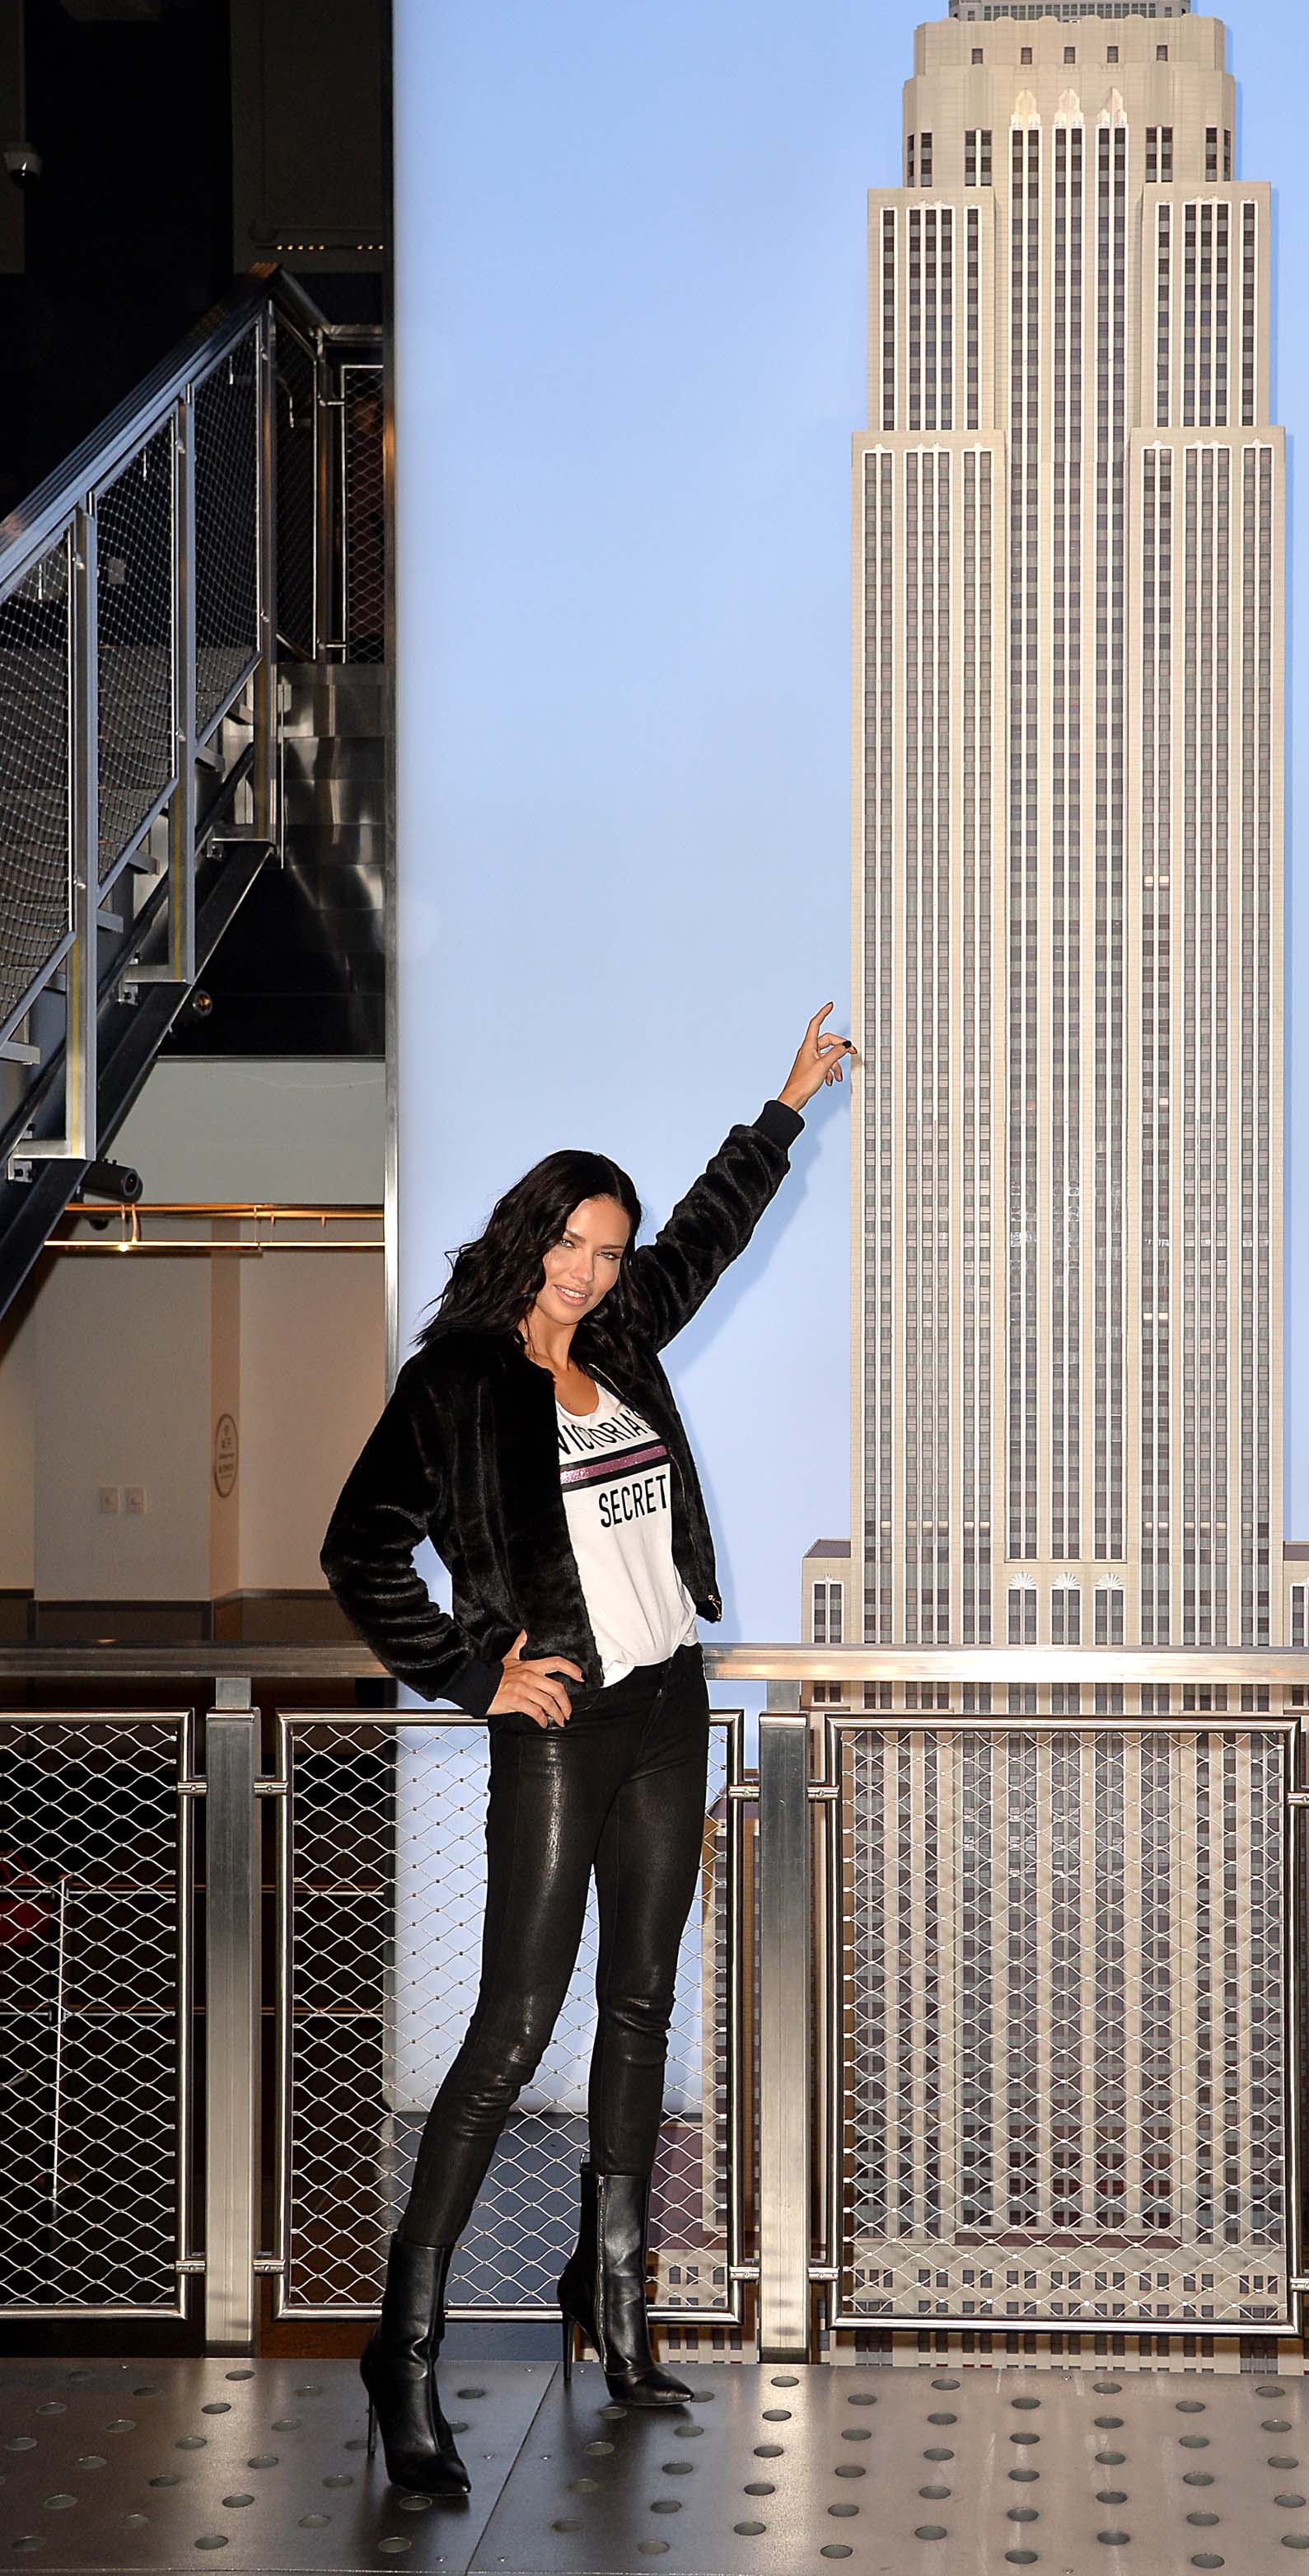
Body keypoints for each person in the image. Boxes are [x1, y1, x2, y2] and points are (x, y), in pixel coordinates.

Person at [320, 1005, 852, 2494]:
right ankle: (404, 2346)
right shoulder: (456, 1384)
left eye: (608, 1252)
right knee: (511, 2025)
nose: (593, 1271)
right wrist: (469, 1673)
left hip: (668, 1703)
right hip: (561, 1727)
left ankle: (611, 2300)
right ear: (528, 1235)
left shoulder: (619, 1345)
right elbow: (357, 1549)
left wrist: (785, 1106)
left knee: (638, 2004)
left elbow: (708, 1239)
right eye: (572, 1243)